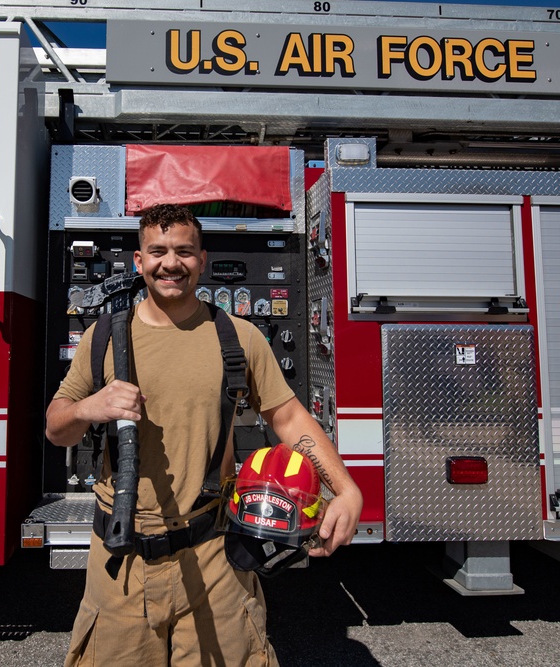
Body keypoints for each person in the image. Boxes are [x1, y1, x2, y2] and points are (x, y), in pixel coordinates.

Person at [45, 203, 363, 666]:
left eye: (184, 252)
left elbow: (288, 418)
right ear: (139, 261)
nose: (170, 263)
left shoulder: (238, 336)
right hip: (121, 559)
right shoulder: (102, 339)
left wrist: (347, 489)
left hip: (215, 553)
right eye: (157, 251)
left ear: (202, 260)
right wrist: (89, 408)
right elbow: (57, 429)